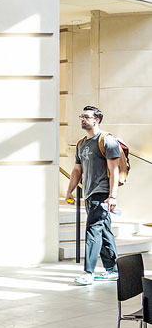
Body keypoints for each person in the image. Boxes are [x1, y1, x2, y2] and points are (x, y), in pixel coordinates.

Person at [65, 105, 121, 285]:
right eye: (81, 116)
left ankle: (88, 272)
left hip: (102, 193)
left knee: (92, 230)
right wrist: (69, 190)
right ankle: (112, 270)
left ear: (96, 120)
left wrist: (112, 196)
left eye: (86, 117)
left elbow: (114, 170)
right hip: (88, 193)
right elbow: (77, 170)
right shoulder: (81, 143)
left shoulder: (107, 141)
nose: (82, 119)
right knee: (104, 230)